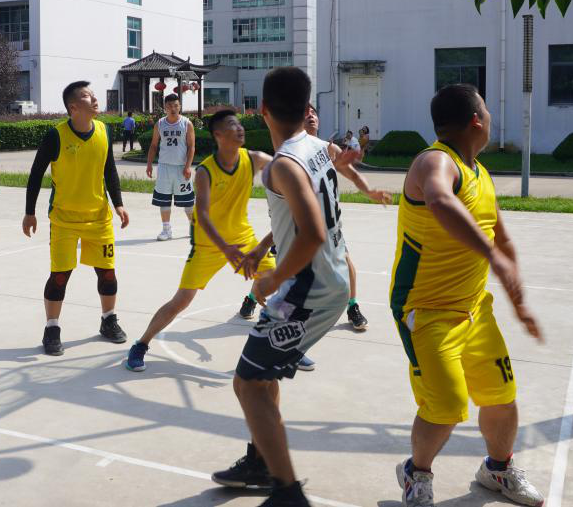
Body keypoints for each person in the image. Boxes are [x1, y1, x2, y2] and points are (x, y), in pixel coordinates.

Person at [392, 83, 544, 507]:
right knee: (446, 406)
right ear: (477, 119)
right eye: (487, 110)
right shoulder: (435, 161)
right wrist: (492, 257)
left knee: (501, 395)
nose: (491, 116)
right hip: (426, 311)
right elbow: (440, 200)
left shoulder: (481, 173)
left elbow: (502, 238)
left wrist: (519, 303)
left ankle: (498, 470)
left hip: (475, 308)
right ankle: (415, 474)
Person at [209, 67, 349, 507]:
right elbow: (305, 212)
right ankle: (262, 460)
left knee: (247, 383)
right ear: (307, 108)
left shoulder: (283, 165)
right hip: (327, 279)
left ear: (262, 110)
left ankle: (287, 493)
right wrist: (264, 246)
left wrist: (273, 275)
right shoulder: (317, 148)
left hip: (308, 289)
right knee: (261, 375)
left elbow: (312, 233)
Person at [124, 108, 277, 372]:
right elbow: (203, 215)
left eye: (239, 124)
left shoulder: (253, 158)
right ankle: (141, 344)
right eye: (232, 125)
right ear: (218, 134)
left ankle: (276, 331)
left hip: (242, 237)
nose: (240, 128)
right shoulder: (206, 171)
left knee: (278, 278)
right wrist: (225, 248)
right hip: (209, 244)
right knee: (181, 300)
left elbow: (285, 167)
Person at [239, 105, 390, 337]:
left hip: (324, 229)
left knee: (334, 267)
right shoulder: (292, 154)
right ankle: (257, 301)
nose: (310, 115)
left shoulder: (327, 149)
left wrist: (369, 191)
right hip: (301, 227)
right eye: (305, 112)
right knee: (285, 271)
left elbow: (351, 173)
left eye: (314, 112)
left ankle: (351, 307)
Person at [23, 81, 130, 355]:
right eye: (86, 96)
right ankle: (52, 328)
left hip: (99, 218)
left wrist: (118, 204)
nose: (94, 98)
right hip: (64, 220)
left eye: (93, 94)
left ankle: (108, 320)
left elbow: (109, 170)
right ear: (73, 107)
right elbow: (35, 174)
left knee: (108, 273)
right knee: (60, 276)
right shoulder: (56, 136)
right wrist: (29, 212)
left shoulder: (104, 131)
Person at [146, 94, 196, 241]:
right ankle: (166, 230)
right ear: (165, 108)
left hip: (181, 168)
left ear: (179, 106)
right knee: (164, 199)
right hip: (164, 167)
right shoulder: (160, 124)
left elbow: (191, 147)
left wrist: (188, 166)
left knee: (188, 201)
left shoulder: (186, 123)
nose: (173, 109)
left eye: (175, 105)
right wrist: (149, 164)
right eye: (169, 106)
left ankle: (194, 227)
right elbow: (153, 145)